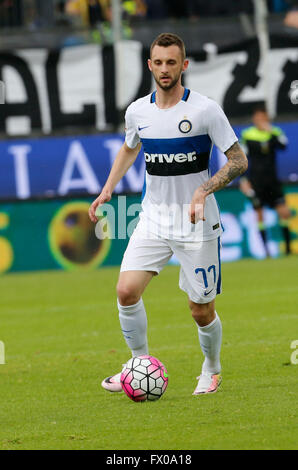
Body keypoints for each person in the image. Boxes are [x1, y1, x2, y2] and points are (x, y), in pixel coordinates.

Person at [89, 33, 248, 396]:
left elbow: (238, 160)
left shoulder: (205, 110)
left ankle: (212, 369)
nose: (164, 69)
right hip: (153, 219)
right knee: (126, 291)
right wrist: (108, 188)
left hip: (197, 222)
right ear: (150, 65)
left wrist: (203, 189)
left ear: (184, 65)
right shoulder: (137, 111)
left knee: (200, 310)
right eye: (158, 62)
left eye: (171, 62)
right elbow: (130, 148)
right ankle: (138, 365)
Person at [240, 105, 292, 256]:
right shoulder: (248, 135)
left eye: (263, 118)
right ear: (254, 119)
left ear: (267, 118)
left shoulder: (274, 132)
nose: (261, 120)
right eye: (258, 118)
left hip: (273, 181)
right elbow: (242, 159)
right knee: (259, 214)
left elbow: (283, 145)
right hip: (256, 181)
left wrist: (271, 131)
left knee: (284, 212)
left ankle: (288, 250)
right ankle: (266, 251)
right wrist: (244, 180)